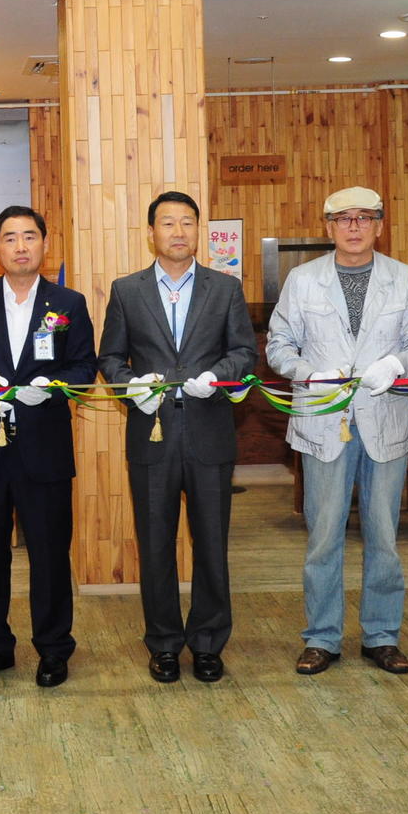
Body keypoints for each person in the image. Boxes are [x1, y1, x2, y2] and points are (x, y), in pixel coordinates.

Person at [266, 187, 408, 677]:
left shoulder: (403, 278)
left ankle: (382, 635)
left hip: (385, 419)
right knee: (324, 536)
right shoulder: (302, 280)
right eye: (344, 218)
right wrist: (307, 373)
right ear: (329, 227)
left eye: (365, 217)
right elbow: (279, 345)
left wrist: (397, 363)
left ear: (380, 225)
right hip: (323, 421)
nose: (355, 226)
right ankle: (321, 637)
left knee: (384, 535)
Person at [96, 190, 255, 684]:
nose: (178, 232)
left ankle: (207, 643)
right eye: (168, 223)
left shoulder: (224, 288)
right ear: (152, 233)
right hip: (152, 434)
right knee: (155, 544)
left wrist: (218, 376)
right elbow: (110, 358)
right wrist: (131, 387)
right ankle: (163, 644)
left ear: (197, 230)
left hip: (210, 433)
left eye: (187, 222)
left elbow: (244, 352)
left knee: (212, 545)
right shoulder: (127, 290)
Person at [0, 206, 95, 688]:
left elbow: (84, 368)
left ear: (44, 244)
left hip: (43, 447)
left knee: (49, 554)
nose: (20, 246)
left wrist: (52, 387)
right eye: (9, 238)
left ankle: (53, 649)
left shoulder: (68, 303)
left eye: (29, 236)